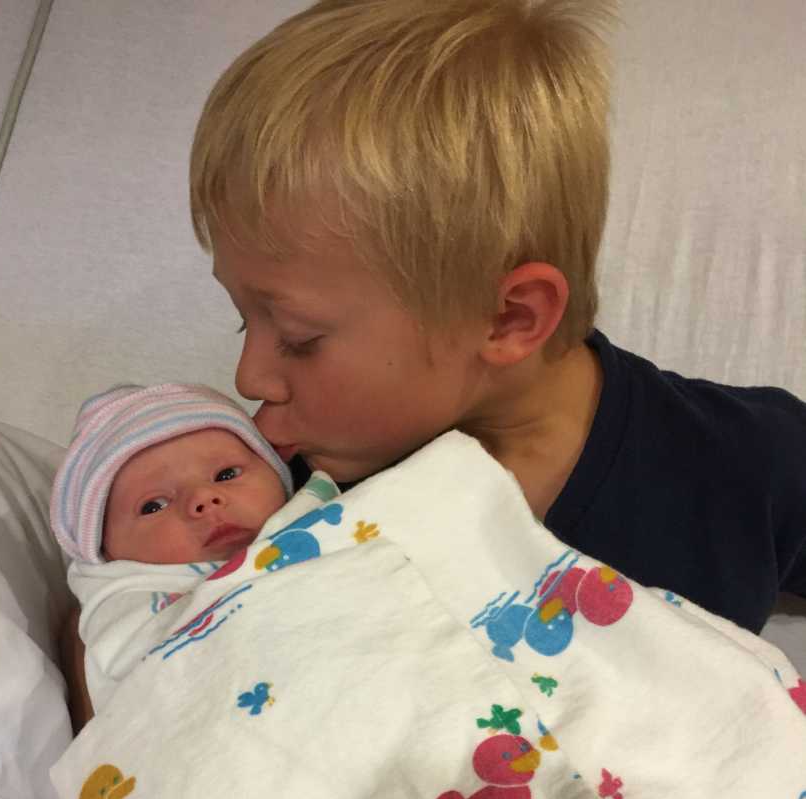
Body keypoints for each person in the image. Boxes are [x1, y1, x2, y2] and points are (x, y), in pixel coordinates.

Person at [188, 0, 806, 636]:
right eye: (244, 322)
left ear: (509, 319)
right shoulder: (259, 490)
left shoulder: (742, 466)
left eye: (297, 338)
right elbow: (127, 627)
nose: (250, 378)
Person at [50, 381, 297, 710]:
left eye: (226, 474)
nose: (203, 499)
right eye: (153, 506)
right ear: (107, 554)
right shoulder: (124, 618)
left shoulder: (336, 521)